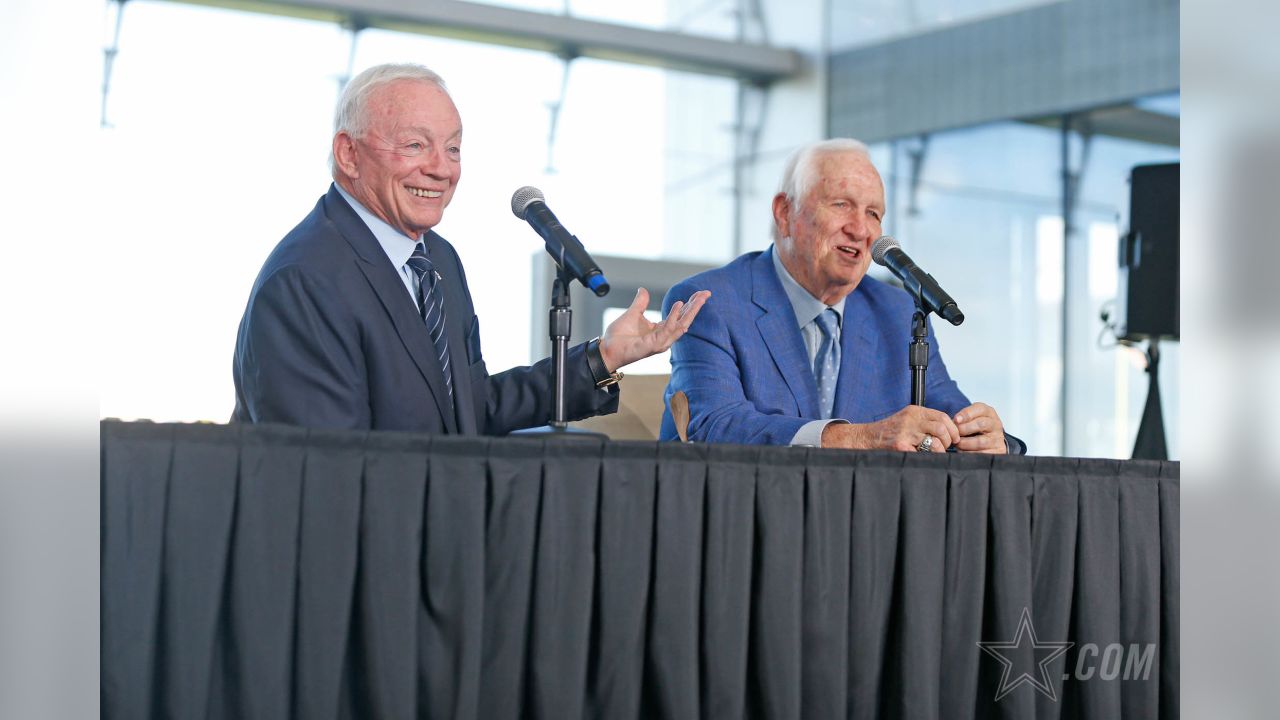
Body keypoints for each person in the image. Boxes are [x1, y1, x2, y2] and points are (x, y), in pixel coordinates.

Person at [232, 63, 708, 434]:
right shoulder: (304, 280)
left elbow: (469, 408)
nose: (442, 169)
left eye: (454, 149)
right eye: (417, 145)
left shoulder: (437, 259)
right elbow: (325, 470)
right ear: (348, 154)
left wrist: (600, 359)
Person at [658, 138, 1024, 454]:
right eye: (841, 205)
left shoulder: (897, 313)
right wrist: (861, 437)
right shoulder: (709, 303)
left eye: (873, 213)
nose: (861, 229)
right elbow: (714, 425)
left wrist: (990, 439)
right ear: (785, 213)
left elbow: (951, 416)